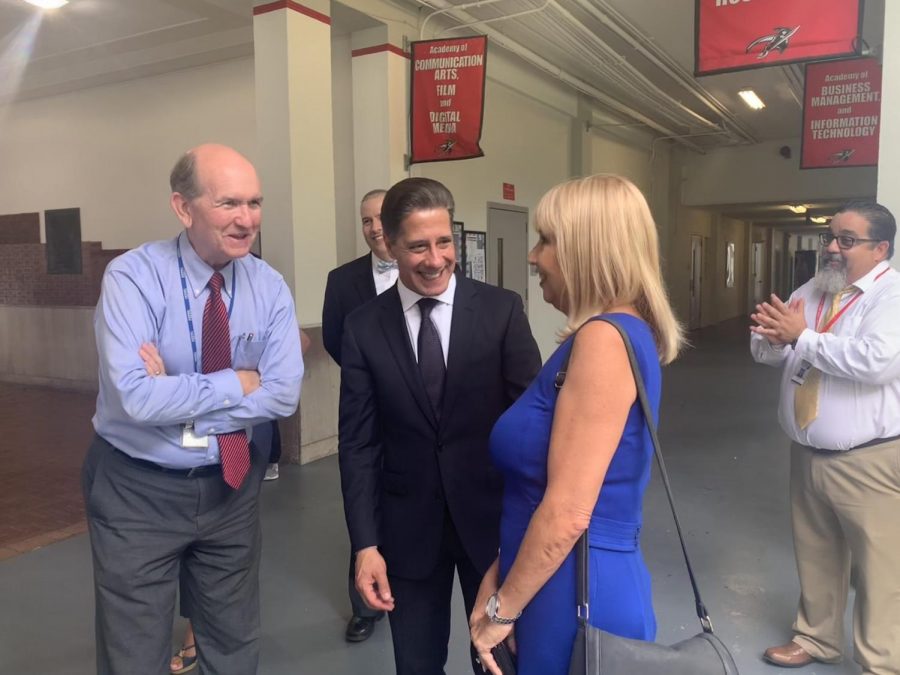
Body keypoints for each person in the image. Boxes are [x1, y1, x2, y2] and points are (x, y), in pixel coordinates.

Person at [82, 143, 304, 675]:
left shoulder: (269, 287)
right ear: (183, 208)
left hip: (231, 487)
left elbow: (283, 395)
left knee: (232, 643)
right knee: (134, 651)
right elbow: (133, 397)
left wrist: (175, 395)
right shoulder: (133, 278)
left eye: (255, 203)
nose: (247, 219)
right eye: (229, 203)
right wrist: (238, 382)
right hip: (137, 492)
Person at [469, 174, 683, 675]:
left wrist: (504, 610)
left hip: (575, 590)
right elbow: (542, 489)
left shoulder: (604, 343)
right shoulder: (603, 336)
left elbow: (568, 511)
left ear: (586, 250)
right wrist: (501, 574)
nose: (532, 256)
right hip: (550, 577)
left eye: (546, 241)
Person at [339, 177, 542, 674]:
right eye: (417, 246)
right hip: (407, 532)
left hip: (493, 526)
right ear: (388, 244)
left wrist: (531, 526)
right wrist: (365, 545)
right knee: (416, 662)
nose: (435, 259)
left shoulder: (501, 310)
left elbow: (533, 425)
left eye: (444, 241)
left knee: (501, 665)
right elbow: (359, 444)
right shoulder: (364, 327)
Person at [750, 201, 900, 673]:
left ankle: (881, 662)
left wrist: (802, 337)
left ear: (881, 249)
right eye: (829, 238)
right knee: (816, 552)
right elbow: (765, 348)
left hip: (868, 460)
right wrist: (775, 339)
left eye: (846, 240)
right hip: (807, 451)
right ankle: (816, 639)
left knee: (879, 569)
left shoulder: (890, 297)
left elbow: (875, 363)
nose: (832, 248)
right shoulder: (815, 289)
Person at [322, 188, 395, 641]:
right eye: (366, 220)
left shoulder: (426, 269)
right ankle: (365, 608)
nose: (374, 228)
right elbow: (334, 339)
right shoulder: (342, 280)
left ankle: (408, 584)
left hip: (421, 414)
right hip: (365, 412)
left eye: (381, 218)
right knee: (363, 503)